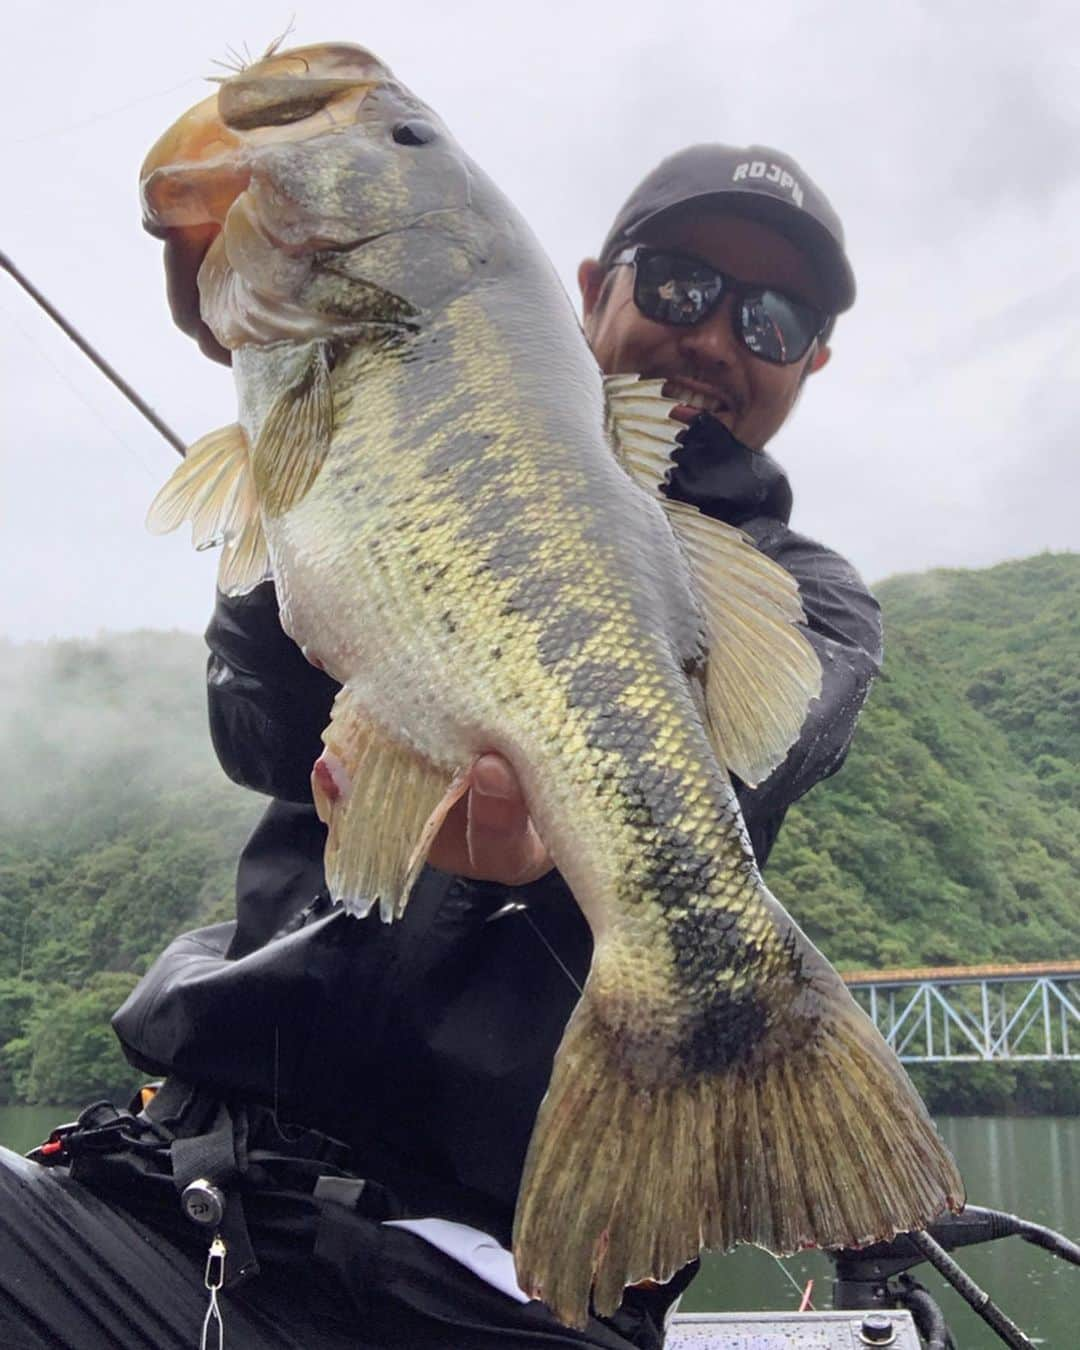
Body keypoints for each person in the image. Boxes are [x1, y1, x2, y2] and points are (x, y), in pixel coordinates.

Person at [0, 144, 882, 1350]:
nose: (716, 337)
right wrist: (302, 396)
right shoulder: (415, 426)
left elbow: (733, 776)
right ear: (591, 288)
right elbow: (256, 731)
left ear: (813, 359)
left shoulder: (804, 598)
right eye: (680, 285)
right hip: (189, 1208)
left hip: (503, 1299)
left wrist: (537, 848)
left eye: (772, 317)